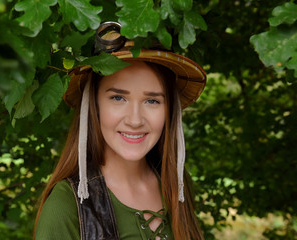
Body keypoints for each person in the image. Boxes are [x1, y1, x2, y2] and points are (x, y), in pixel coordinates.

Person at [34, 22, 206, 240]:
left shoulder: (176, 185)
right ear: (94, 105)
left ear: (169, 110)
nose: (135, 120)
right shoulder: (66, 206)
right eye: (118, 98)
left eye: (152, 100)